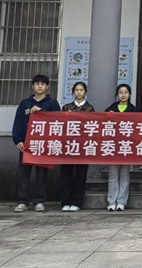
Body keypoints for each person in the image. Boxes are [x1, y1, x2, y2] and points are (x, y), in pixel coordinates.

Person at [12, 74, 60, 213]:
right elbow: (18, 122)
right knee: (23, 174)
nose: (40, 86)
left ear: (47, 86)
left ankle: (39, 201)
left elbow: (57, 121)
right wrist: (18, 140)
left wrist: (42, 112)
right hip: (26, 145)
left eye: (42, 84)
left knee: (41, 174)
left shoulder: (52, 103)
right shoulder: (25, 103)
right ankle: (23, 201)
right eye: (37, 84)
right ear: (33, 86)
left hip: (43, 145)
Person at [60, 82, 95, 212]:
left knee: (80, 175)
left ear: (85, 92)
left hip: (83, 146)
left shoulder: (89, 108)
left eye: (81, 90)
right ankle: (65, 201)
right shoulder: (66, 107)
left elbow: (92, 125)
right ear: (73, 92)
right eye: (77, 90)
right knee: (66, 175)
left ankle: (77, 202)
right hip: (68, 145)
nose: (79, 92)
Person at [105, 84, 136, 211]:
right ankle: (112, 201)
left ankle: (122, 201)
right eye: (121, 92)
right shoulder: (111, 109)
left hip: (127, 146)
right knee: (113, 174)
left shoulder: (134, 110)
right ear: (117, 95)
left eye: (126, 92)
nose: (123, 95)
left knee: (124, 174)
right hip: (113, 146)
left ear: (129, 95)